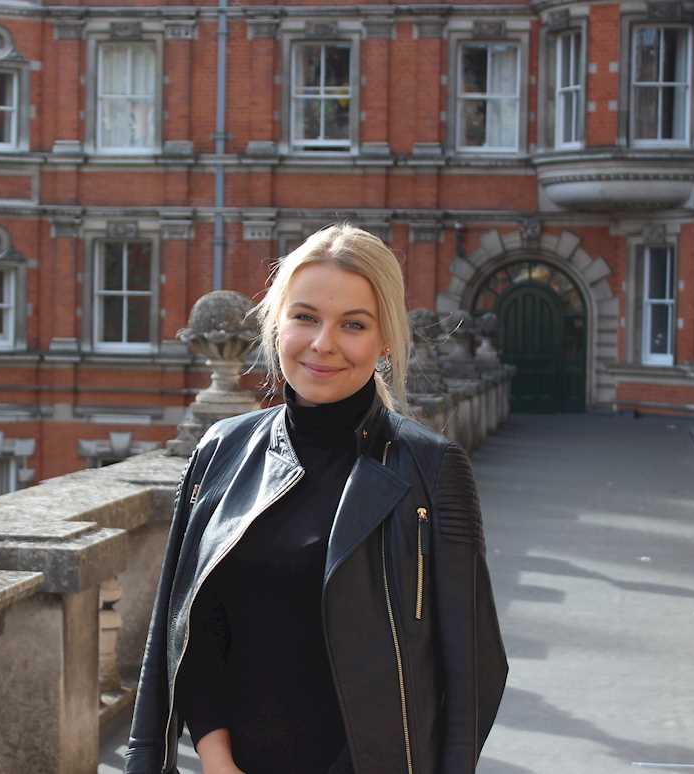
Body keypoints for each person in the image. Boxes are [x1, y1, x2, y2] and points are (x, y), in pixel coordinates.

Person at [125, 224, 508, 774]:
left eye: (353, 324)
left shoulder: (431, 469)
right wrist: (215, 759)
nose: (323, 343)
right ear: (276, 323)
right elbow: (186, 630)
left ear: (384, 341)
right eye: (305, 317)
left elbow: (473, 671)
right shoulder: (221, 452)